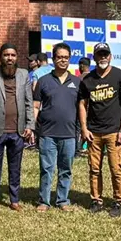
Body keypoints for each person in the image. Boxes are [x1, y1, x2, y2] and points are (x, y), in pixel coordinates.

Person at [79, 43, 121, 216]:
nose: (103, 57)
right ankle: (96, 200)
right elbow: (82, 104)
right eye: (99, 54)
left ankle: (119, 202)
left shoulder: (120, 76)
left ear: (110, 56)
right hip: (93, 132)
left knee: (116, 168)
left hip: (114, 132)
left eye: (105, 54)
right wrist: (84, 128)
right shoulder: (88, 80)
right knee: (94, 168)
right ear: (94, 57)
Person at [0, 43, 35, 214]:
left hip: (18, 130)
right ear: (0, 57)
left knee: (15, 167)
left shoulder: (24, 74)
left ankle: (14, 199)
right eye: (6, 55)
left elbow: (29, 102)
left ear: (16, 57)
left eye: (12, 55)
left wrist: (30, 125)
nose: (9, 58)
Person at [34, 43, 81, 212]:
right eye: (59, 57)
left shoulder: (77, 82)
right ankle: (44, 201)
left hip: (69, 134)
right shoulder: (43, 81)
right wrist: (32, 127)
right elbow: (35, 106)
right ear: (53, 59)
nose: (63, 60)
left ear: (70, 59)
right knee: (46, 169)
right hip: (47, 133)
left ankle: (62, 200)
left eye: (66, 57)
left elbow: (82, 108)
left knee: (66, 169)